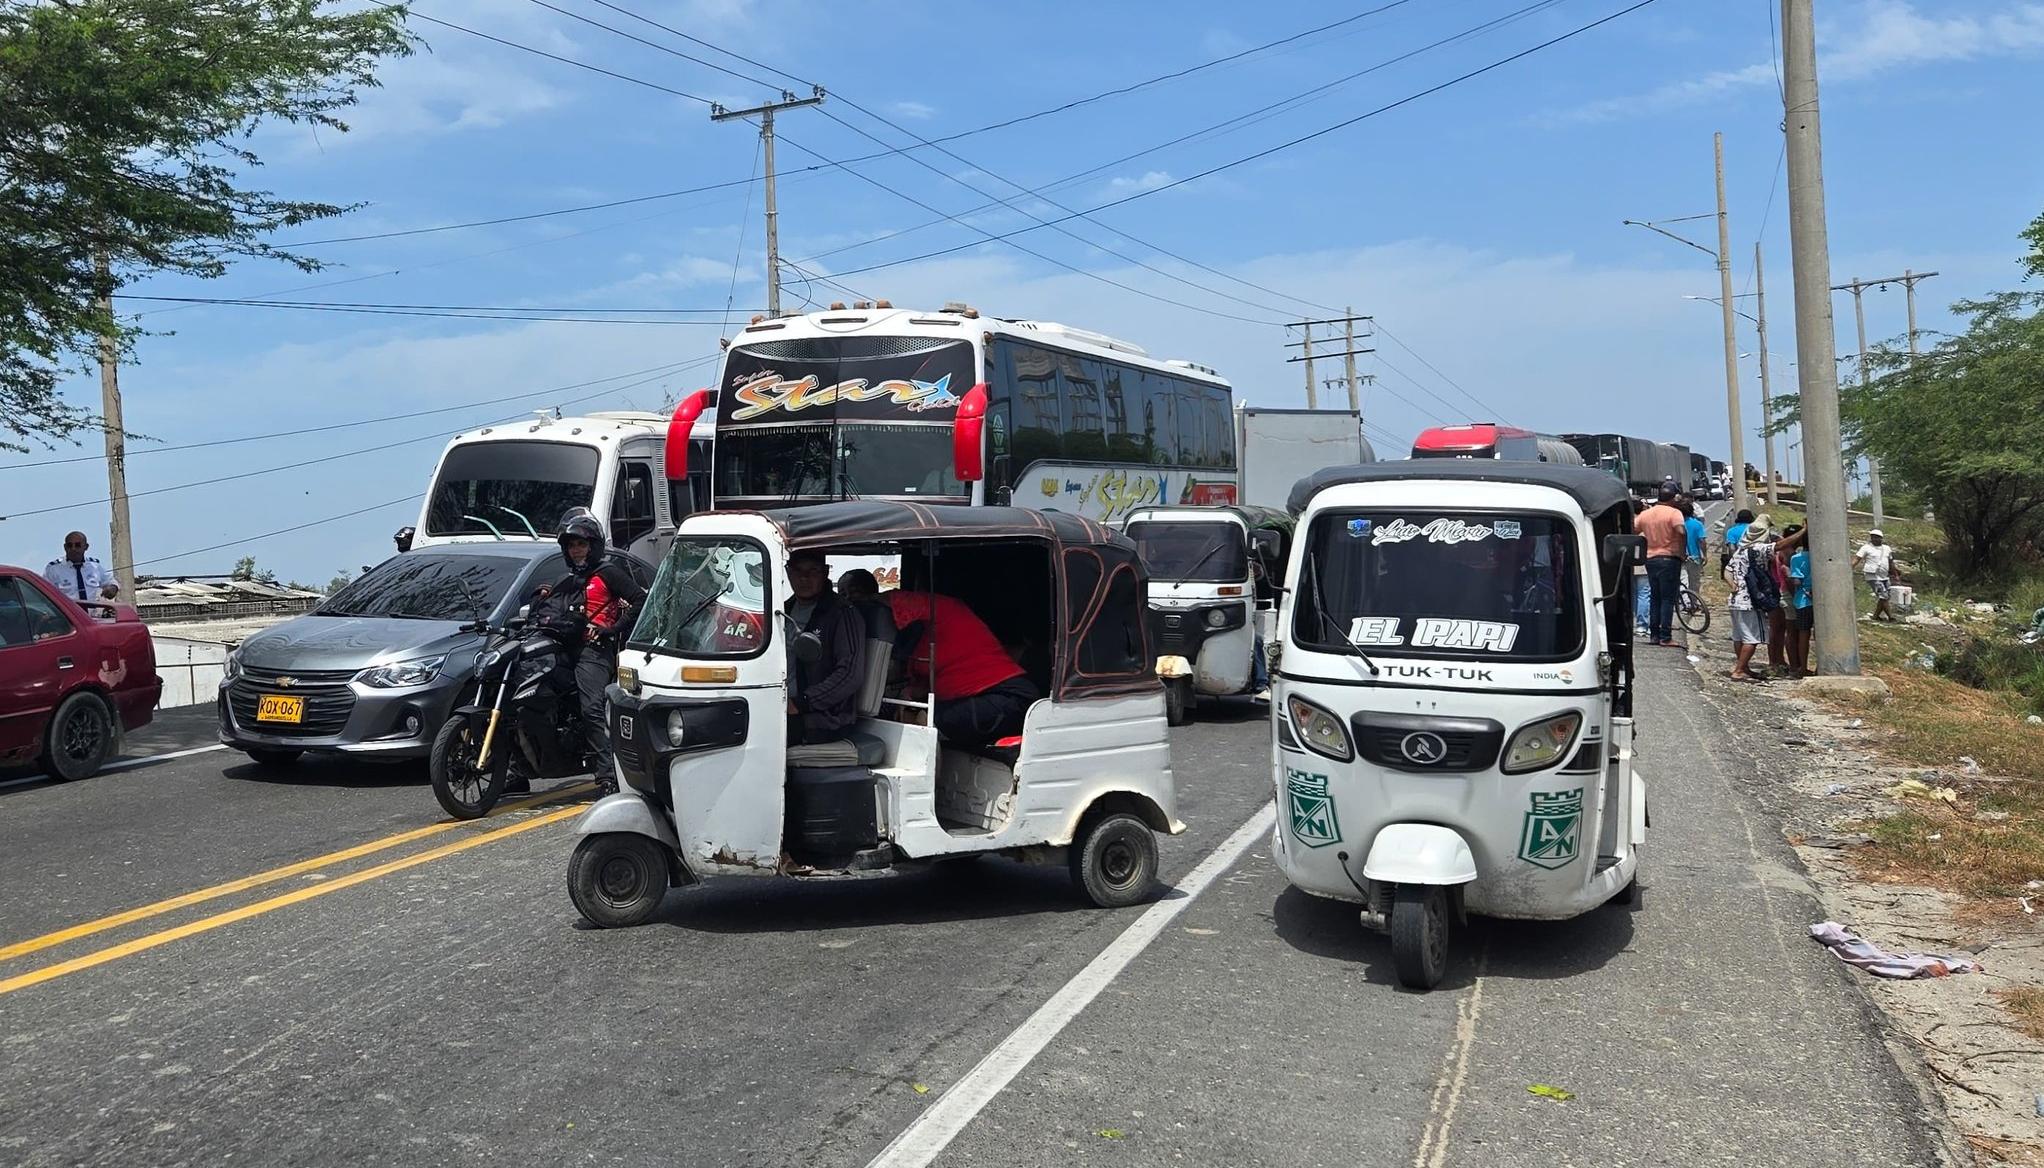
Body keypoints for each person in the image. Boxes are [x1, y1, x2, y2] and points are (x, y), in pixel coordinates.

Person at [533, 512, 645, 795]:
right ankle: (519, 767)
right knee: (530, 698)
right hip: (561, 648)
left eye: (581, 544)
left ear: (593, 545)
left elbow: (640, 600)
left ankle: (607, 775)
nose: (576, 550)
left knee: (591, 709)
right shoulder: (566, 579)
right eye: (571, 546)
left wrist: (612, 629)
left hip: (594, 651)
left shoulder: (607, 573)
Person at [885, 589, 1039, 746]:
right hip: (967, 697)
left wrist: (867, 599)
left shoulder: (943, 609)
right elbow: (940, 676)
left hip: (1008, 696)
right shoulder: (922, 641)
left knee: (928, 722)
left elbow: (895, 599)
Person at [784, 551, 866, 745]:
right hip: (779, 706)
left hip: (823, 719)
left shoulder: (842, 614)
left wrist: (802, 703)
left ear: (825, 573)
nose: (804, 578)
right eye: (798, 571)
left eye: (813, 571)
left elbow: (850, 674)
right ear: (788, 573)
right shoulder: (783, 609)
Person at [1725, 517, 1807, 683]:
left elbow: (1727, 572)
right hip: (1750, 601)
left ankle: (1744, 667)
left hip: (1735, 600)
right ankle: (1739, 670)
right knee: (1752, 638)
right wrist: (1804, 531)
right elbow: (1781, 546)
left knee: (1739, 636)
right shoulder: (1758, 549)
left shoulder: (1740, 551)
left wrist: (1734, 586)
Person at [1634, 487, 1688, 648]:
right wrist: (1681, 551)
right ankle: (1666, 636)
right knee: (1667, 599)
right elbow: (1681, 531)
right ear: (1673, 498)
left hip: (1650, 559)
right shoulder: (1674, 513)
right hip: (1669, 558)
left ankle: (1654, 635)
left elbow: (1634, 530)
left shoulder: (1646, 514)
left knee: (1655, 598)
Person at [44, 531, 118, 603]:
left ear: (86, 547)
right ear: (65, 547)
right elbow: (44, 593)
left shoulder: (94, 567)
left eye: (77, 545)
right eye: (69, 545)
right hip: (67, 614)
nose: (73, 549)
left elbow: (111, 582)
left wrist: (113, 588)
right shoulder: (53, 569)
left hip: (90, 614)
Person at [1854, 529, 1898, 621]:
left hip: (1885, 576)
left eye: (1877, 537)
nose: (1874, 539)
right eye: (1873, 537)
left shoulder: (1886, 548)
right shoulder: (1866, 548)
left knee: (1885, 597)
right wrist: (1849, 568)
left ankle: (1875, 616)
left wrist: (1895, 574)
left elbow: (1891, 562)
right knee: (1883, 596)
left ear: (1881, 538)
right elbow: (1857, 559)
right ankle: (1891, 617)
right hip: (1873, 576)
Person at [1786, 536, 1814, 677]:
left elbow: (1796, 581)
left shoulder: (1796, 558)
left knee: (1803, 634)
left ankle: (1802, 667)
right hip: (1821, 601)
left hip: (1803, 600)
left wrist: (1788, 574)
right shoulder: (1821, 557)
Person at [1680, 496, 1706, 618]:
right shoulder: (1697, 524)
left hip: (1679, 557)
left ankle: (1686, 604)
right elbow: (1702, 541)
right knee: (1694, 582)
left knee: (1682, 581)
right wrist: (1704, 555)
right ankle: (1694, 603)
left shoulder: (1677, 524)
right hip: (1694, 557)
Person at [1720, 509, 1754, 580]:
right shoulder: (1755, 529)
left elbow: (1731, 548)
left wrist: (1735, 561)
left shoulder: (1731, 531)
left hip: (1741, 560)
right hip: (1754, 558)